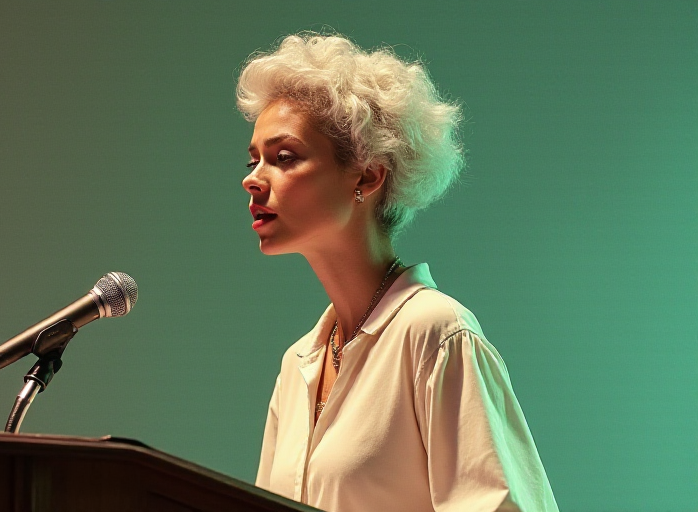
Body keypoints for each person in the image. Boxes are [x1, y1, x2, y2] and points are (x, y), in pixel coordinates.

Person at [237, 33, 558, 512]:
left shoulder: (436, 334)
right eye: (254, 159)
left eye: (284, 157)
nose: (252, 177)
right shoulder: (296, 365)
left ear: (367, 175)